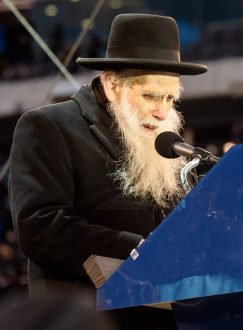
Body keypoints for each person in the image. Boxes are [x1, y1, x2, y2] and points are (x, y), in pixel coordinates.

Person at [8, 13, 207, 328]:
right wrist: (139, 250)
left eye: (171, 98)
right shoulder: (50, 126)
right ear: (113, 85)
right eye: (152, 96)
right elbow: (40, 226)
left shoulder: (172, 150)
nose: (163, 111)